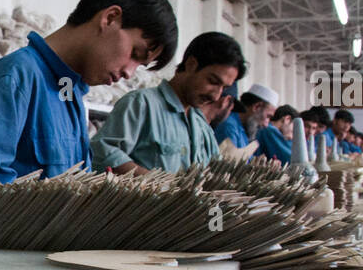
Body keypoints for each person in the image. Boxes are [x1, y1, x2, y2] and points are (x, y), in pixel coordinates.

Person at [0, 0, 177, 201]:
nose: (129, 72)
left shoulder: (71, 93)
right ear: (110, 18)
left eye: (140, 65)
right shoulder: (18, 77)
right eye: (134, 53)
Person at [92, 31, 247, 175]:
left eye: (224, 88)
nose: (216, 95)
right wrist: (161, 185)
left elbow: (213, 171)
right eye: (213, 81)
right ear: (191, 64)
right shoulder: (142, 105)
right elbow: (102, 153)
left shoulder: (202, 128)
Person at [215, 82, 277, 149]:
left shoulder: (243, 128)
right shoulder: (229, 127)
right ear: (256, 107)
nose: (266, 125)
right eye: (268, 116)